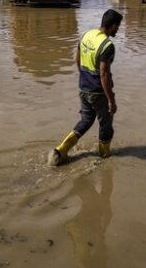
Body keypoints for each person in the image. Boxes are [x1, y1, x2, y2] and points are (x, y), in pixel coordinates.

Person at [49, 9, 123, 166]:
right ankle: (105, 156)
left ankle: (60, 150)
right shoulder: (107, 45)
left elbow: (77, 58)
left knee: (86, 120)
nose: (118, 29)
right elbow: (104, 74)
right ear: (113, 26)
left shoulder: (86, 35)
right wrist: (111, 100)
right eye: (118, 26)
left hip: (83, 88)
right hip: (98, 92)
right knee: (106, 125)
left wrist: (84, 78)